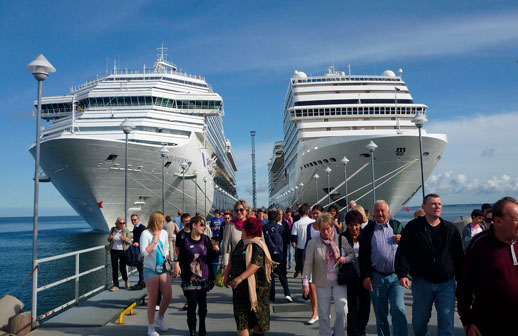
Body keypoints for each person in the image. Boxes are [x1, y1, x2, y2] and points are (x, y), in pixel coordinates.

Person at [395, 193, 464, 336]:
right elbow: (403, 252)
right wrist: (402, 273)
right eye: (433, 203)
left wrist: (461, 279)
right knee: (419, 322)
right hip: (422, 282)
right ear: (424, 207)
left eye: (439, 204)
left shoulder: (450, 229)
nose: (437, 206)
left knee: (446, 322)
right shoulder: (413, 228)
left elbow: (458, 256)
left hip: (446, 283)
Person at [457, 197, 518, 335]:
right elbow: (464, 286)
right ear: (498, 221)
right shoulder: (479, 244)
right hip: (490, 325)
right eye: (515, 219)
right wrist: (467, 322)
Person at [359, 200, 407, 336]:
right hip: (376, 277)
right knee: (381, 314)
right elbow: (363, 256)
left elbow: (408, 247)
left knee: (398, 309)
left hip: (396, 276)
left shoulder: (397, 226)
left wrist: (402, 239)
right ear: (373, 213)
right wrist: (366, 276)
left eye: (382, 210)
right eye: (377, 211)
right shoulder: (368, 230)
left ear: (388, 212)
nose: (380, 213)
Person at [302, 213, 354, 336]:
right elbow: (308, 264)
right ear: (319, 228)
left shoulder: (341, 239)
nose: (325, 232)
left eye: (328, 228)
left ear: (332, 227)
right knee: (324, 314)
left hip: (339, 281)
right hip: (321, 282)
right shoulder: (313, 243)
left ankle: (338, 333)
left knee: (342, 310)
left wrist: (344, 259)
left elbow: (351, 254)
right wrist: (305, 283)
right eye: (322, 229)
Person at [224, 217, 276, 336]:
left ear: (249, 231)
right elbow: (232, 258)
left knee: (257, 322)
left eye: (243, 229)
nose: (241, 231)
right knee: (241, 320)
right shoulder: (241, 243)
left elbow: (256, 264)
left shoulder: (258, 245)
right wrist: (227, 274)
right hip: (240, 290)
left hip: (257, 290)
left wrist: (241, 277)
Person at [175, 216, 219, 336]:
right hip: (190, 278)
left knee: (203, 306)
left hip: (203, 278)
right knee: (192, 305)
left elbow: (210, 256)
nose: (204, 227)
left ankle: (202, 327)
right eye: (202, 225)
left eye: (204, 225)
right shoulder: (186, 240)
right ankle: (192, 331)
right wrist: (177, 265)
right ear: (194, 225)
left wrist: (216, 251)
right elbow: (182, 257)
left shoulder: (205, 239)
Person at [139, 211, 172, 336]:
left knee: (168, 295)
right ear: (156, 221)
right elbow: (144, 253)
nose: (164, 223)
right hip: (150, 269)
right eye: (162, 221)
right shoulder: (145, 234)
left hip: (162, 267)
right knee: (153, 299)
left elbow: (166, 248)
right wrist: (154, 241)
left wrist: (167, 257)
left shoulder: (164, 232)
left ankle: (160, 317)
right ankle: (151, 327)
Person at [341, 210, 371, 336]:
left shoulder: (366, 236)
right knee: (352, 308)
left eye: (356, 225)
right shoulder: (342, 238)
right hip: (350, 277)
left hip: (364, 276)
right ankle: (354, 332)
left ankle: (361, 328)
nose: (354, 228)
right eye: (351, 225)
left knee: (365, 307)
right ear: (347, 225)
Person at [264, 209, 292, 302]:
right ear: (276, 217)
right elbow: (285, 240)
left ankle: (272, 296)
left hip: (269, 255)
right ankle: (287, 293)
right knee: (282, 275)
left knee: (271, 276)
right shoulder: (280, 227)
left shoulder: (265, 227)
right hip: (280, 254)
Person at [222, 200, 250, 271]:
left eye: (241, 210)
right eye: (236, 210)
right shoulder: (230, 226)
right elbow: (226, 247)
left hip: (250, 264)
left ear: (247, 211)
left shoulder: (252, 224)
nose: (239, 212)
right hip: (236, 265)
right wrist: (225, 265)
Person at [107, 217, 131, 291]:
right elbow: (108, 240)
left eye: (123, 223)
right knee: (114, 268)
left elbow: (129, 241)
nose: (122, 224)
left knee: (122, 267)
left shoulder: (126, 230)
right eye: (120, 223)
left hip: (122, 251)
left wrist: (125, 239)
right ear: (116, 223)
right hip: (114, 250)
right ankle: (116, 285)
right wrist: (110, 238)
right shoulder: (113, 229)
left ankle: (126, 280)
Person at [291, 204, 314, 279]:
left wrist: (294, 242)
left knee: (303, 267)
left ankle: (304, 281)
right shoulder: (314, 221)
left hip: (300, 248)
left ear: (299, 213)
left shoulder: (296, 223)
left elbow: (293, 236)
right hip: (312, 247)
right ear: (308, 212)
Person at [176, 213, 192, 311]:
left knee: (195, 280)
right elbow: (177, 248)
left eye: (188, 220)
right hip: (184, 262)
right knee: (185, 282)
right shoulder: (180, 234)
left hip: (195, 262)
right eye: (185, 221)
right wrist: (179, 260)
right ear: (182, 222)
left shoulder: (195, 232)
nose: (187, 222)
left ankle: (194, 299)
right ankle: (187, 301)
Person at [131, 214, 147, 290]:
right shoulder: (136, 228)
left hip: (141, 250)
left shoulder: (142, 228)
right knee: (139, 266)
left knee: (140, 266)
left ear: (138, 219)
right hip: (137, 249)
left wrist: (139, 243)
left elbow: (145, 239)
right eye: (132, 220)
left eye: (135, 220)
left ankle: (141, 283)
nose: (133, 221)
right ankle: (142, 282)